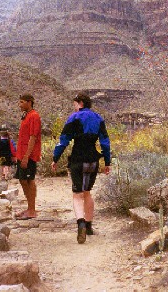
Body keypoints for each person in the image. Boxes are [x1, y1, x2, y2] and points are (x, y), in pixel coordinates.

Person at [51, 92, 111, 244]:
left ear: (81, 103)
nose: (74, 107)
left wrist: (55, 158)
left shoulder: (74, 118)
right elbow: (105, 142)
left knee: (77, 195)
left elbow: (63, 141)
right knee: (87, 193)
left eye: (75, 104)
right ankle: (89, 227)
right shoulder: (98, 118)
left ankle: (81, 223)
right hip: (93, 160)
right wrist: (107, 162)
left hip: (78, 159)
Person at [15, 93, 42, 220]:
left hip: (29, 155)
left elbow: (33, 137)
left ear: (29, 102)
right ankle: (29, 207)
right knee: (22, 180)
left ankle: (32, 210)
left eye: (22, 102)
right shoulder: (26, 116)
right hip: (21, 154)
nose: (19, 105)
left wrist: (26, 156)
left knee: (29, 180)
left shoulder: (34, 116)